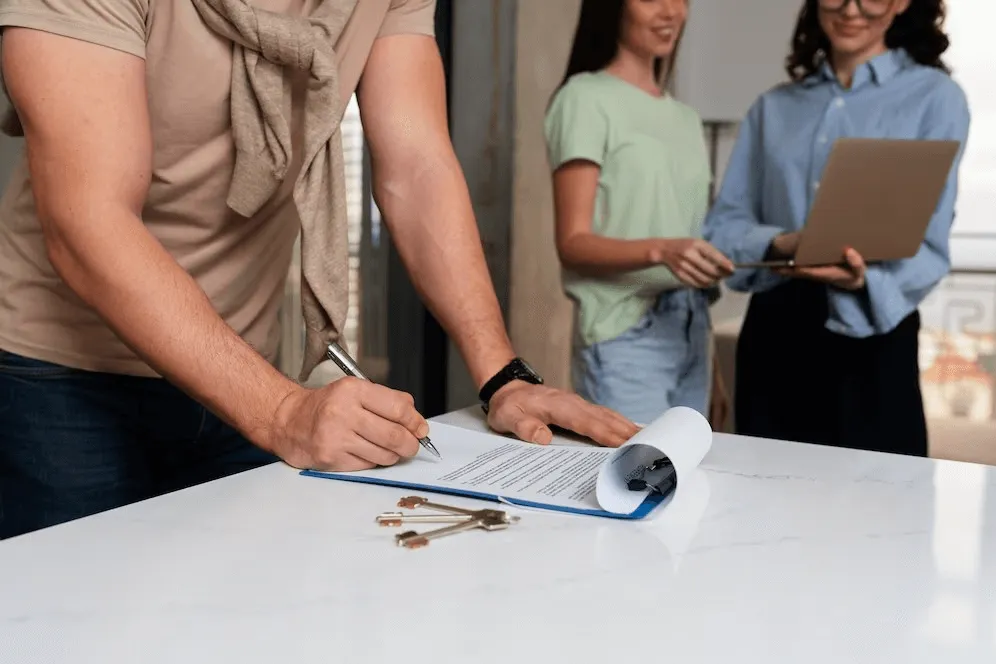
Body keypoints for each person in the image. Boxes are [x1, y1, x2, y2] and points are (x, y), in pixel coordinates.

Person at [0, 0, 640, 540]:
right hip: (55, 380)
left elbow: (416, 167)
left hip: (238, 368)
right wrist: (281, 412)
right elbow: (88, 222)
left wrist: (503, 376)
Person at [703, 0, 970, 456]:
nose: (851, 9)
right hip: (775, 334)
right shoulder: (774, 107)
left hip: (874, 336)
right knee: (764, 505)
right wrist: (785, 243)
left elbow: (930, 244)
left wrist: (864, 277)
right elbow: (723, 228)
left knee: (878, 509)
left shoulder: (935, 98)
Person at [543, 0, 735, 426]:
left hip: (690, 330)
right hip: (626, 336)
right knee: (637, 484)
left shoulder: (685, 117)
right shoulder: (583, 98)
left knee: (686, 481)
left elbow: (691, 240)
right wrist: (662, 251)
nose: (671, 12)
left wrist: (714, 369)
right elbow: (572, 242)